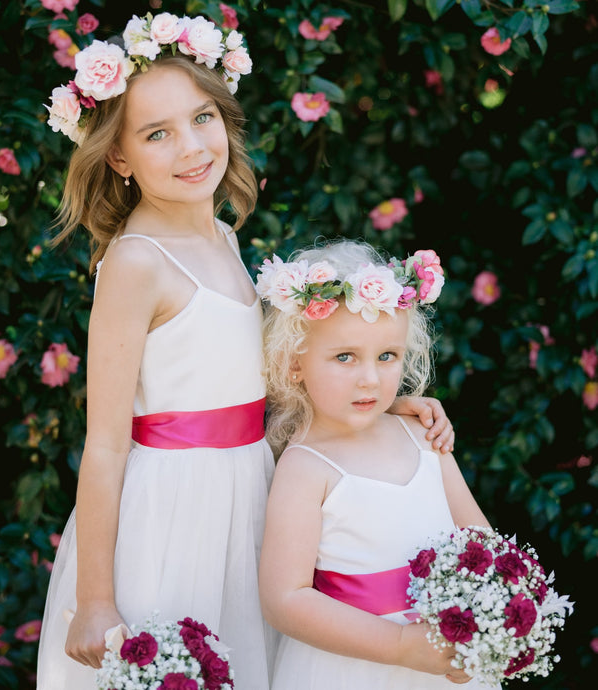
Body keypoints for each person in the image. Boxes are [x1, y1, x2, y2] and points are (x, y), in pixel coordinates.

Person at [36, 11, 456, 690]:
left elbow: (253, 388)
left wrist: (389, 401)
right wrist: (95, 600)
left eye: (202, 119)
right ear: (118, 157)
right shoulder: (137, 263)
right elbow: (107, 444)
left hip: (248, 495)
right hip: (172, 513)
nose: (191, 147)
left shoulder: (225, 241)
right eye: (157, 134)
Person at [257, 239, 499, 689]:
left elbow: (480, 540)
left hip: (446, 659)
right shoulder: (307, 468)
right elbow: (284, 600)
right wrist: (401, 646)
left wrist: (499, 616)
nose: (370, 377)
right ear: (294, 363)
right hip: (355, 668)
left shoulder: (422, 436)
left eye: (387, 356)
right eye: (344, 357)